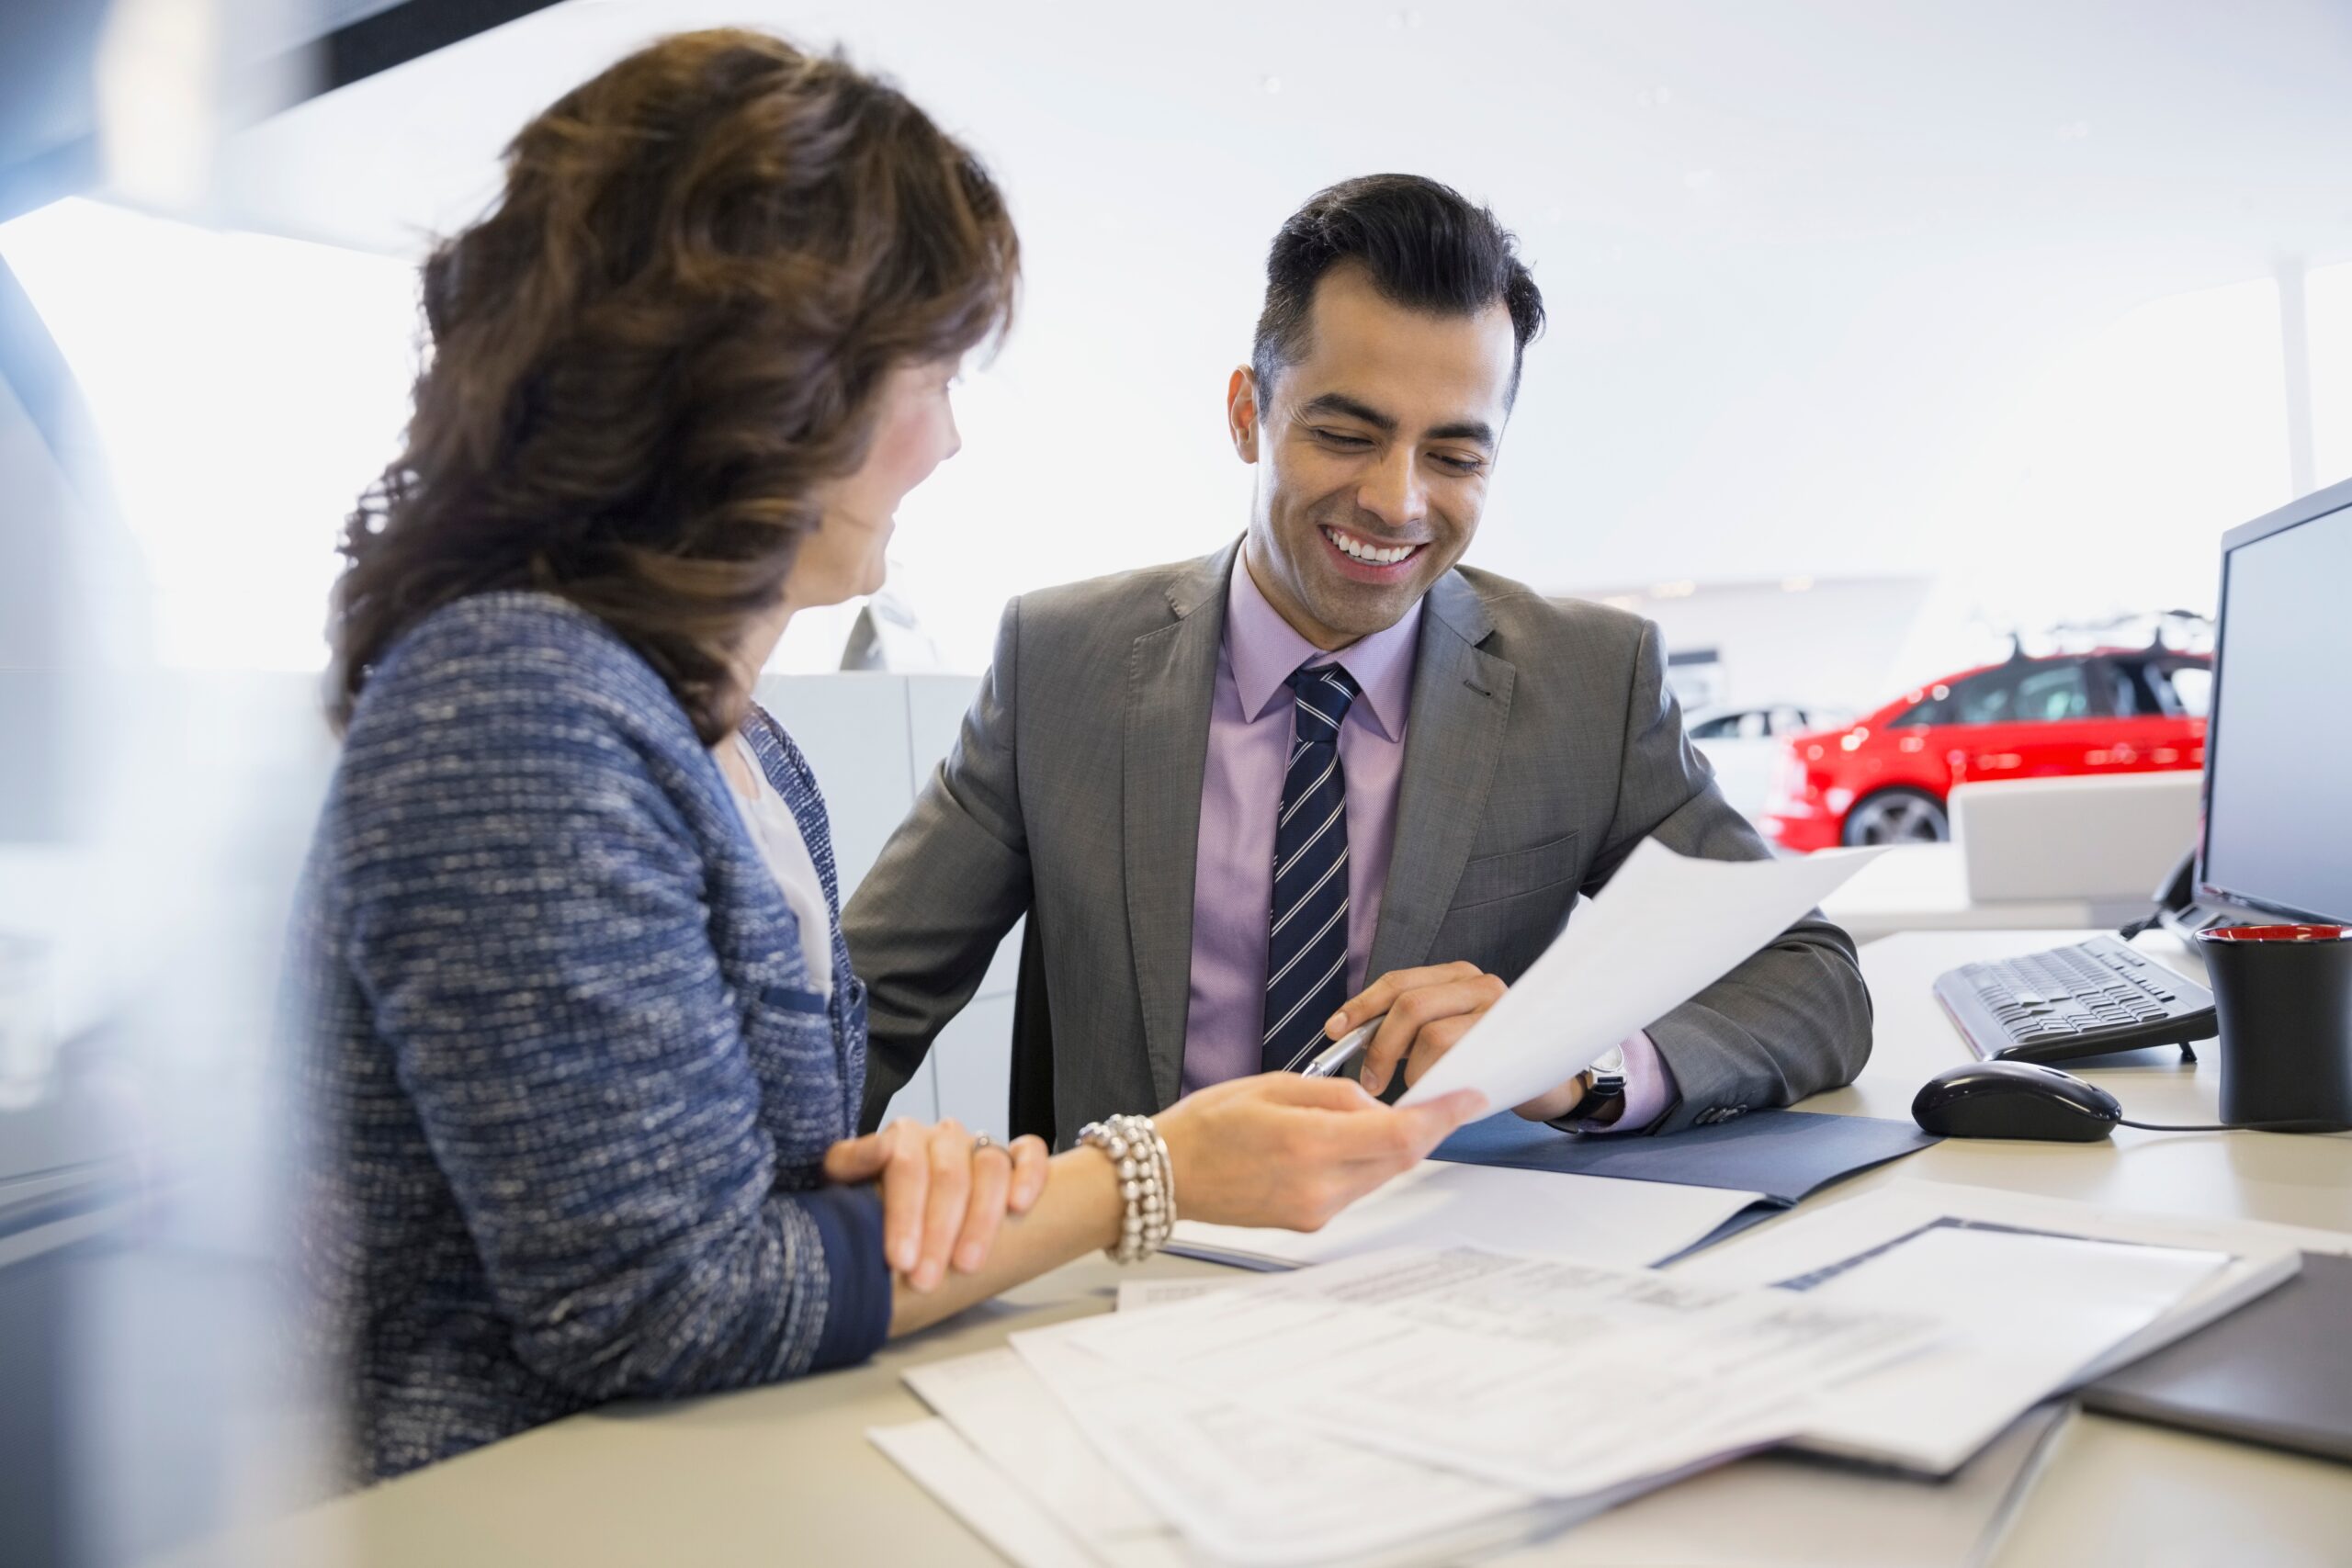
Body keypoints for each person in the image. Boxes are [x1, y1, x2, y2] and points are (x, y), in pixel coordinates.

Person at [287, 31, 1485, 1484]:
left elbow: (749, 1198)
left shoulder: (742, 745)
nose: (948, 435)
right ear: (764, 383)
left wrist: (919, 1186)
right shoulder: (515, 707)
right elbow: (662, 1305)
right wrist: (1138, 1176)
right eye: (926, 368)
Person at [848, 175, 1871, 1144]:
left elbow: (1810, 973)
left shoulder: (1587, 688)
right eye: (1346, 435)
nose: (1397, 501)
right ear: (1249, 414)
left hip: (1451, 1276)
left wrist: (1571, 1066)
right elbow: (861, 1015)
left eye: (1455, 456)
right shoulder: (1061, 665)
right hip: (1135, 1267)